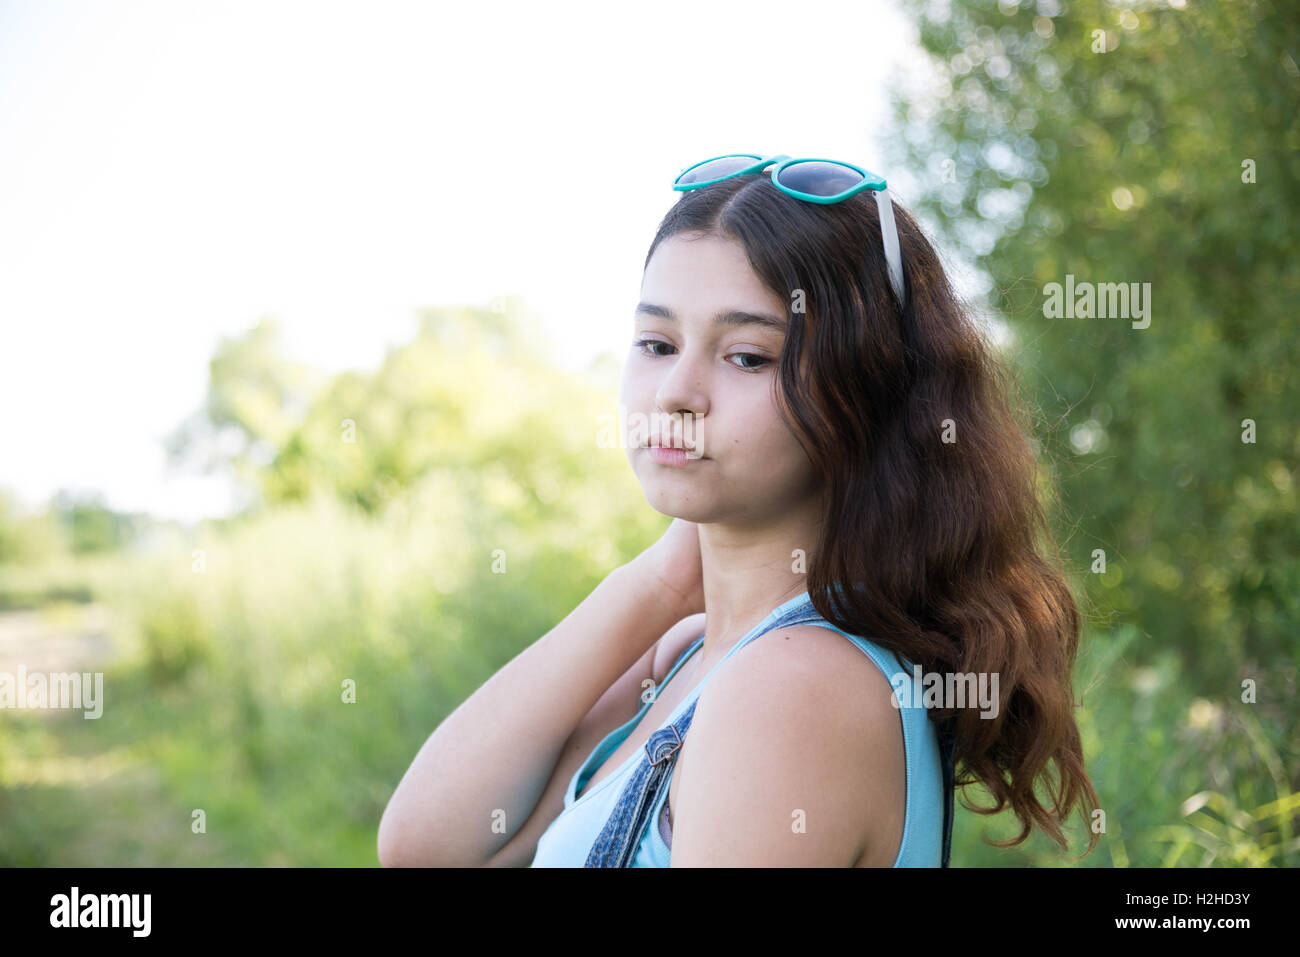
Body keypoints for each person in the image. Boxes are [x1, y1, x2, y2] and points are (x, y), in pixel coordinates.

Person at [378, 154, 1100, 868]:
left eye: (748, 356)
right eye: (657, 343)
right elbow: (427, 846)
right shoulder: (686, 655)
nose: (675, 393)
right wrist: (656, 582)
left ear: (865, 394)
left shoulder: (793, 689)